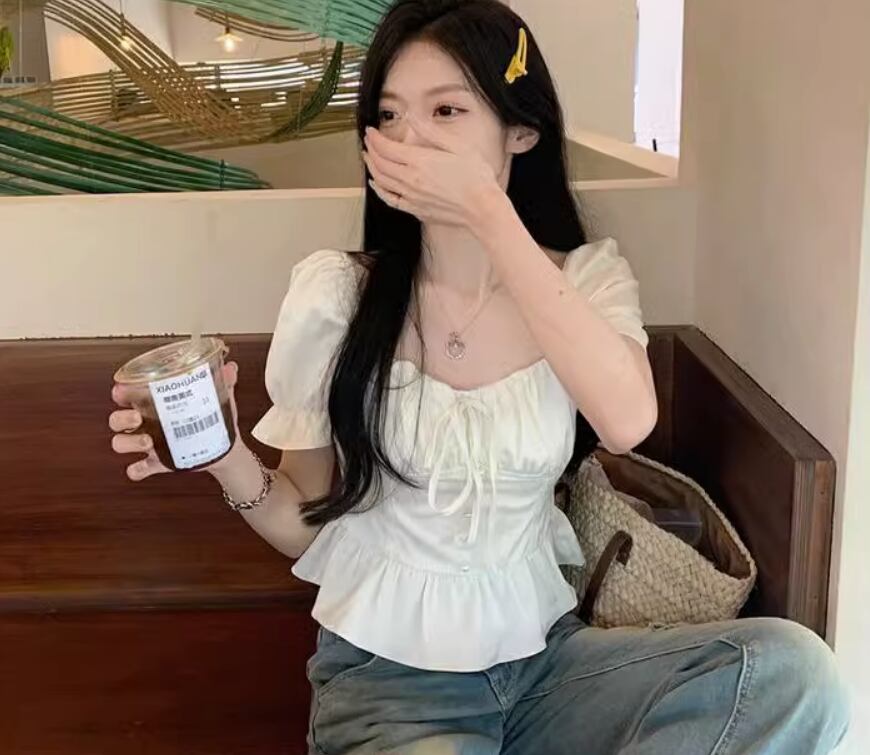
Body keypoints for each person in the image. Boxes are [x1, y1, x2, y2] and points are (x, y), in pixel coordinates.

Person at [109, 1, 850, 752]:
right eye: (389, 115)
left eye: (447, 110)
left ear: (520, 131)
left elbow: (627, 420)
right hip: (390, 688)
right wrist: (224, 454)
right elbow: (306, 521)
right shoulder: (338, 295)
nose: (409, 139)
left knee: (792, 673)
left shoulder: (584, 281)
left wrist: (489, 217)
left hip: (546, 667)